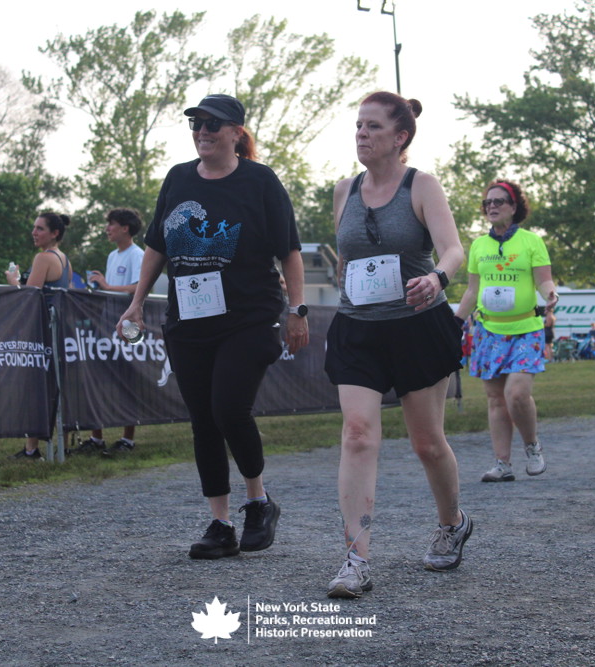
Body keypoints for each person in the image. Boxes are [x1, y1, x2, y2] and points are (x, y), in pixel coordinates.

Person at [117, 94, 308, 561]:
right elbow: (157, 247)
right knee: (203, 419)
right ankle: (221, 524)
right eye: (196, 123)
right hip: (189, 320)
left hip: (249, 316)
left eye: (212, 124)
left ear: (236, 132)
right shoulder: (178, 178)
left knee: (228, 408)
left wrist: (297, 310)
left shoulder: (259, 181)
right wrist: (137, 303)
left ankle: (258, 502)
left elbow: (289, 251)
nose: (202, 131)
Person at [323, 92, 467, 599]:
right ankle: (355, 560)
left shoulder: (421, 185)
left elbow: (454, 249)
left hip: (416, 326)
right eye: (358, 125)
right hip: (358, 328)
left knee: (427, 443)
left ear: (400, 136)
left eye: (373, 126)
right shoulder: (344, 190)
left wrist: (437, 278)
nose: (362, 134)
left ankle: (451, 524)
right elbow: (347, 257)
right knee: (357, 434)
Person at [457, 178, 558, 484]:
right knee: (495, 399)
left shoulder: (531, 242)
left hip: (526, 329)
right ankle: (502, 464)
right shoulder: (479, 245)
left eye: (499, 201)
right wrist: (455, 321)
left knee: (516, 394)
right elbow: (472, 290)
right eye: (488, 202)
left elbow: (543, 279)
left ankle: (532, 446)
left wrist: (550, 293)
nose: (492, 206)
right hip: (488, 331)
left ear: (514, 207)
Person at [6, 211, 72, 458]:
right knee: (52, 388)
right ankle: (47, 446)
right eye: (34, 227)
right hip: (57, 329)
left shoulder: (43, 258)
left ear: (54, 233)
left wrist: (13, 281)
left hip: (43, 331)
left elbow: (29, 295)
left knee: (36, 388)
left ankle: (32, 448)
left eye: (40, 228)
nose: (34, 232)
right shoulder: (64, 259)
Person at [81, 208, 145, 455]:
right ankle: (96, 437)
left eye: (111, 224)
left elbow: (138, 287)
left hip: (129, 325)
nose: (107, 229)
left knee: (128, 378)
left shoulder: (137, 254)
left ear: (125, 228)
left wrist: (107, 285)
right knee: (100, 377)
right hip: (108, 323)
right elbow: (111, 289)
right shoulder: (111, 256)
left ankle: (127, 439)